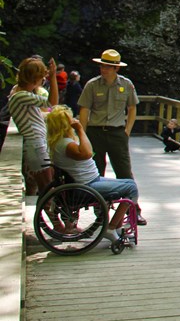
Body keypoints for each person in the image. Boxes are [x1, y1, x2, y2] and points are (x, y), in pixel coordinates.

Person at [46, 105, 139, 243]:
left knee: (128, 183)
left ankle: (117, 227)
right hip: (86, 186)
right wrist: (80, 130)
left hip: (87, 181)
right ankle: (111, 227)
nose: (74, 121)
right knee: (132, 188)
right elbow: (88, 153)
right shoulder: (67, 145)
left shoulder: (58, 142)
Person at [77, 49, 146, 225]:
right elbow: (84, 110)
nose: (103, 69)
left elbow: (132, 108)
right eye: (102, 65)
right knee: (96, 172)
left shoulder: (126, 85)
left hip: (117, 133)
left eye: (108, 66)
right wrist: (82, 134)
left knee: (124, 171)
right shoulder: (92, 85)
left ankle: (134, 210)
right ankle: (100, 212)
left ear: (116, 68)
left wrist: (127, 131)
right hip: (95, 132)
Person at [8, 57, 59, 194]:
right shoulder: (21, 95)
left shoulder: (20, 92)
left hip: (37, 144)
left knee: (44, 187)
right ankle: (51, 215)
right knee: (48, 188)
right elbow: (52, 103)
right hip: (36, 145)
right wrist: (53, 77)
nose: (44, 80)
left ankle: (41, 215)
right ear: (34, 78)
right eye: (42, 76)